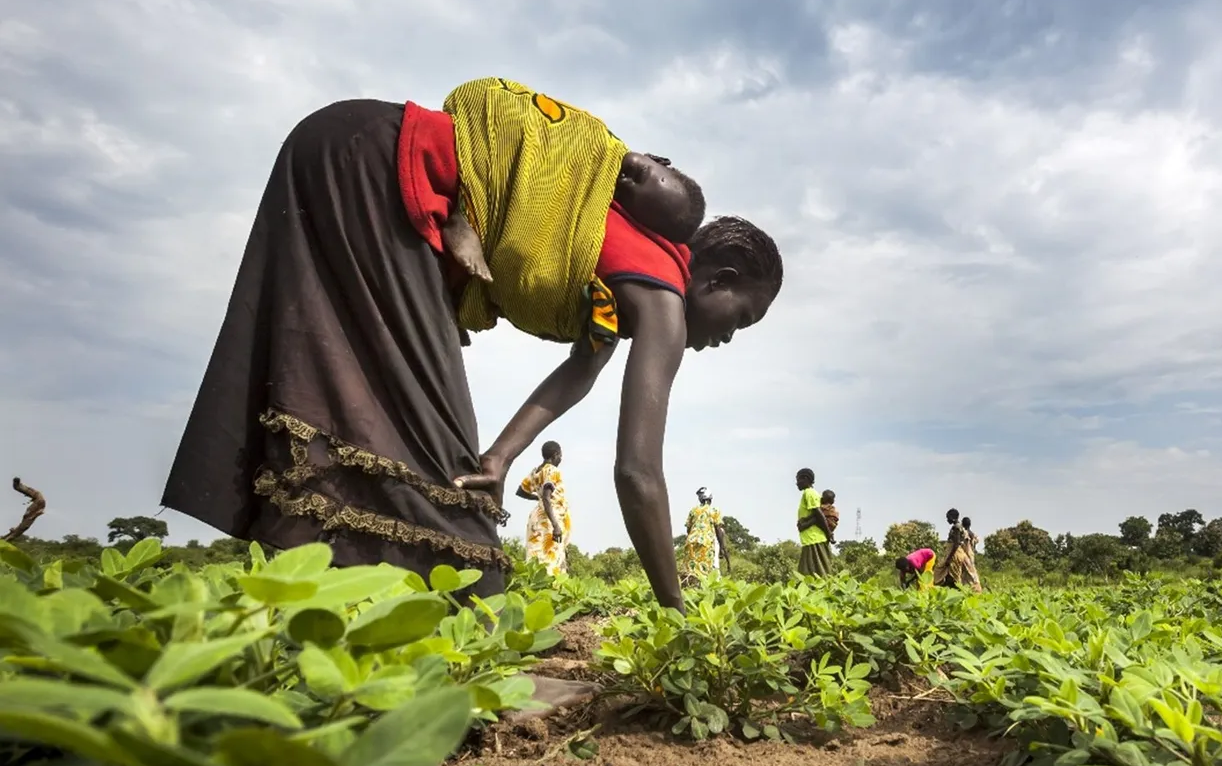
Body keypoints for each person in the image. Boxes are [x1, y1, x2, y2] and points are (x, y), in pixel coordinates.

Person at [162, 78, 781, 608]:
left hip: (344, 148)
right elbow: (638, 472)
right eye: (740, 318)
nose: (727, 337)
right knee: (440, 474)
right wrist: (674, 606)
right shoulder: (664, 303)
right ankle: (462, 640)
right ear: (717, 279)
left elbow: (579, 373)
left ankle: (323, 607)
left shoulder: (631, 274)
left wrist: (502, 458)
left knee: (355, 409)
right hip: (381, 175)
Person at [516, 441, 570, 576]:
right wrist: (556, 525)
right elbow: (547, 497)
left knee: (537, 557)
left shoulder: (535, 472)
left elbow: (521, 491)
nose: (561, 459)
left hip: (538, 518)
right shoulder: (552, 470)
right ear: (556, 454)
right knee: (550, 560)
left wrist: (537, 498)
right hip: (548, 521)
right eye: (560, 456)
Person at [681, 486, 730, 585]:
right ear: (710, 498)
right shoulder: (714, 511)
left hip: (690, 542)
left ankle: (689, 589)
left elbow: (688, 529)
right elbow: (718, 531)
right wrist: (722, 547)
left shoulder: (693, 511)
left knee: (691, 570)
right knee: (705, 571)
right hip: (706, 543)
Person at [795, 468, 835, 576]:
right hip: (810, 539)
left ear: (805, 479)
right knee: (808, 575)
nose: (796, 483)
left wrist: (828, 533)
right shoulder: (811, 494)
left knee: (818, 575)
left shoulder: (809, 493)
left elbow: (819, 515)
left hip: (814, 539)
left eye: (798, 480)